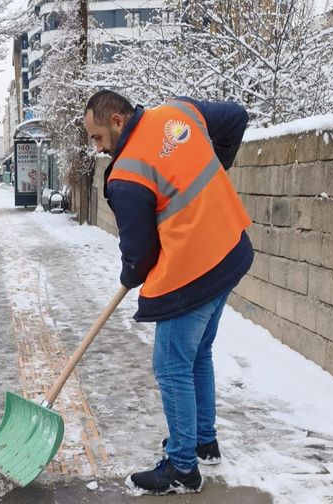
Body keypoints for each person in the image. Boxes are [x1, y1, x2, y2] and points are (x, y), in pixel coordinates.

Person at [83, 90, 252, 495]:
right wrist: (216, 172)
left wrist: (130, 272)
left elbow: (139, 255)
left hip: (194, 273)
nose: (98, 148)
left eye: (98, 138)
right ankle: (202, 441)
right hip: (232, 249)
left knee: (171, 364)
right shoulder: (178, 111)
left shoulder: (126, 176)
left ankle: (182, 467)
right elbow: (237, 118)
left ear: (118, 121)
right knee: (198, 354)